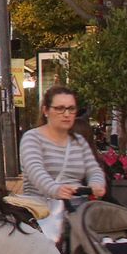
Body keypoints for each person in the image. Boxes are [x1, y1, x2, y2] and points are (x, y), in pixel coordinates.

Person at [18, 86, 107, 240]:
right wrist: (55, 189)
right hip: (41, 212)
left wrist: (97, 184)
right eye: (59, 108)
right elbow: (35, 170)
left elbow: (94, 169)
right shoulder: (32, 138)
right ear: (46, 110)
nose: (66, 114)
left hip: (76, 211)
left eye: (71, 109)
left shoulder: (79, 141)